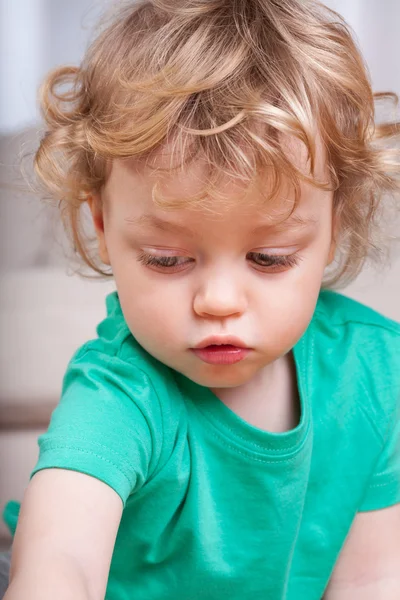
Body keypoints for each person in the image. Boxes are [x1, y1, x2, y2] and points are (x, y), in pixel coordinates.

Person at [2, 0, 400, 598]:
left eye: (269, 258)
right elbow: (61, 561)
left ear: (333, 228)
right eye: (168, 259)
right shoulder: (121, 395)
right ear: (103, 225)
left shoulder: (374, 373)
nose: (217, 301)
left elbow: (373, 577)